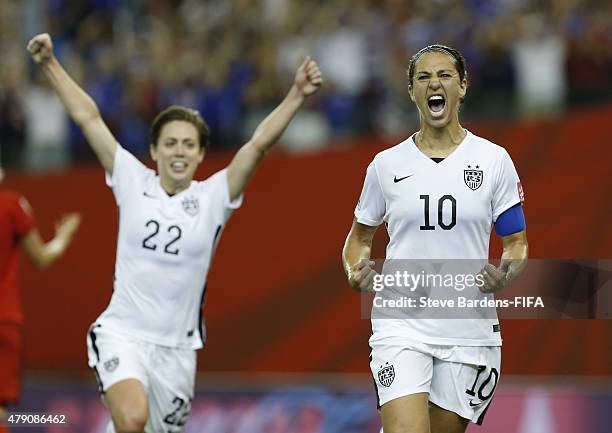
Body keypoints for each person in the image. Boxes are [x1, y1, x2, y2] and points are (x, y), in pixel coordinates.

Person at [27, 32, 322, 433]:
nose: (179, 151)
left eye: (188, 144)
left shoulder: (214, 196)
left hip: (178, 352)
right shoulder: (133, 180)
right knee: (132, 418)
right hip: (123, 333)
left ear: (201, 154)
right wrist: (49, 64)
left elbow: (257, 145)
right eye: (170, 143)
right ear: (154, 150)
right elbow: (88, 118)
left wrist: (296, 96)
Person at [342, 45, 528, 433]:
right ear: (411, 92)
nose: (434, 84)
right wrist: (353, 269)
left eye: (444, 75)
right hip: (401, 325)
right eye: (423, 77)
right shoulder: (385, 165)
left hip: (468, 330)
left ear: (462, 86)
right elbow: (359, 239)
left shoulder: (494, 160)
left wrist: (505, 273)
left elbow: (517, 244)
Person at [0, 164, 80, 431]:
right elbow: (42, 259)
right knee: (3, 414)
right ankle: (50, 419)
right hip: (5, 321)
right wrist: (63, 237)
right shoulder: (13, 205)